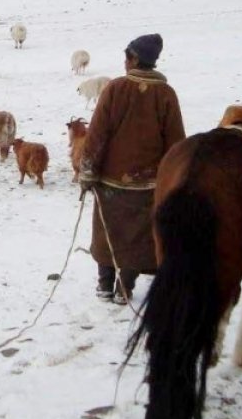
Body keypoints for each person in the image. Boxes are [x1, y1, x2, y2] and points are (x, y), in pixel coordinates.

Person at [79, 33, 186, 304]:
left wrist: (88, 172)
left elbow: (97, 135)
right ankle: (123, 288)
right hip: (148, 185)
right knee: (136, 237)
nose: (125, 62)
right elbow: (176, 143)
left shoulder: (115, 89)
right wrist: (174, 180)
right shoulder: (166, 94)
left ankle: (104, 284)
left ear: (135, 58)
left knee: (106, 231)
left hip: (111, 181)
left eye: (127, 56)